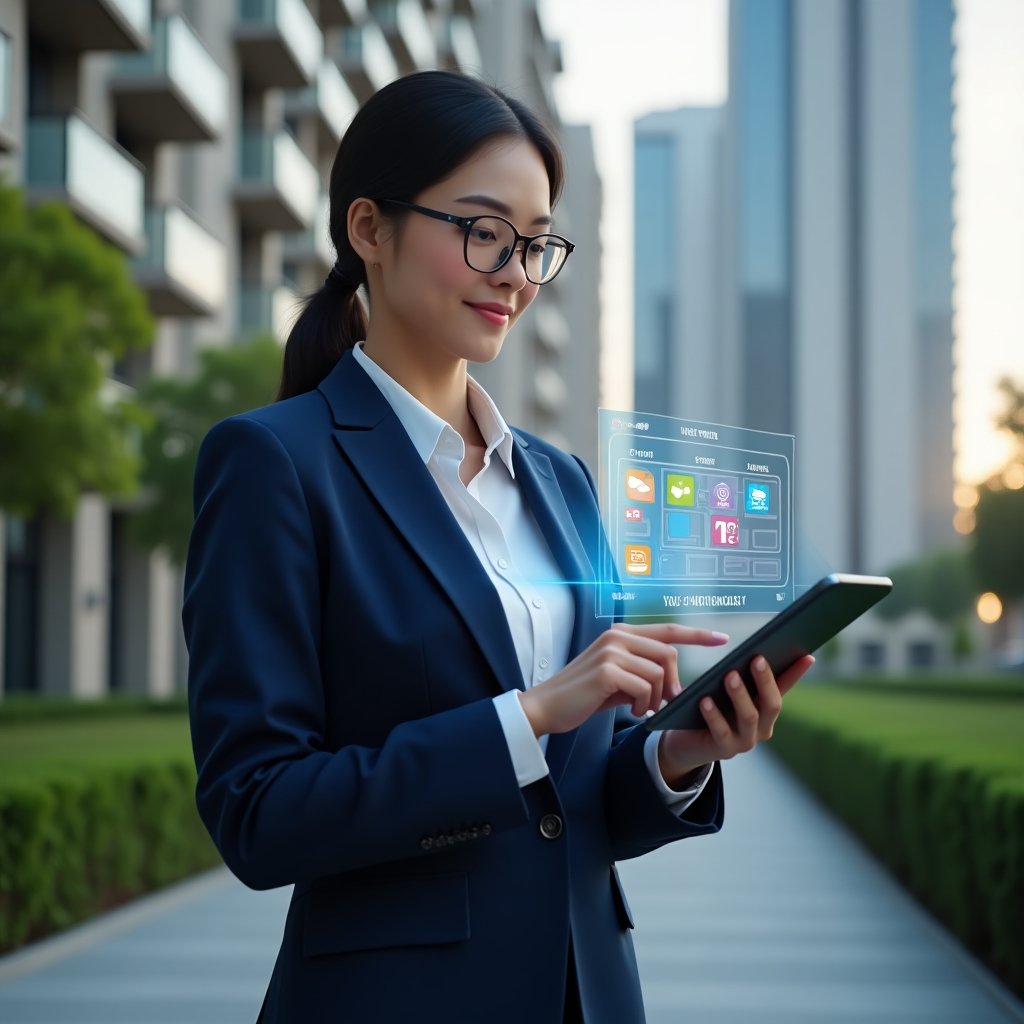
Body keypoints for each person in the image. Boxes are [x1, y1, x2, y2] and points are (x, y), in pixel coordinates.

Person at [183, 70, 814, 1024]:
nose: (516, 272)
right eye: (483, 231)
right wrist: (528, 714)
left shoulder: (561, 482)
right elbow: (259, 813)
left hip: (586, 996)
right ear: (368, 229)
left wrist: (675, 755)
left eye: (535, 243)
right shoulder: (274, 463)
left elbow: (568, 809)